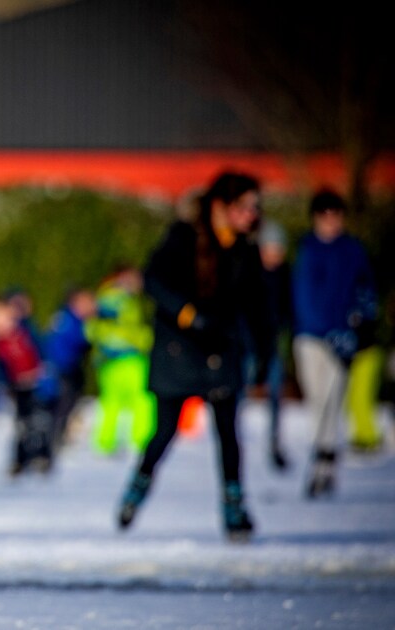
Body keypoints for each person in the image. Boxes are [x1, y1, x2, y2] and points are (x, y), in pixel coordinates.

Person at [116, 171, 273, 542]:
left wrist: (264, 352)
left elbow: (258, 308)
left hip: (221, 350)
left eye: (255, 207)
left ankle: (234, 507)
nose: (253, 214)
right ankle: (136, 490)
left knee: (228, 433)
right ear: (222, 207)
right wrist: (187, 313)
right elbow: (153, 281)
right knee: (165, 430)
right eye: (246, 206)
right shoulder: (183, 237)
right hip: (179, 350)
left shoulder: (245, 251)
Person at [291, 190, 378, 498]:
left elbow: (366, 290)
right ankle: (319, 457)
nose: (331, 221)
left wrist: (363, 319)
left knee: (334, 402)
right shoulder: (308, 250)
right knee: (317, 401)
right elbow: (305, 301)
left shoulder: (352, 250)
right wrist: (327, 331)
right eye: (325, 215)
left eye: (335, 215)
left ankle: (327, 461)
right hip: (312, 338)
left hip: (344, 338)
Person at [0, 297, 57, 475]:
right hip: (19, 387)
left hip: (38, 383)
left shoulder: (24, 331)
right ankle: (20, 460)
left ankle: (42, 456)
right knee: (23, 425)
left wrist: (45, 374)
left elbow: (41, 352)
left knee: (40, 422)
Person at [86, 266, 155, 456]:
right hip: (126, 357)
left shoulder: (104, 296)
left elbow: (93, 328)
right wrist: (147, 340)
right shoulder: (118, 299)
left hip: (108, 360)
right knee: (141, 398)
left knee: (112, 401)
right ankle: (141, 440)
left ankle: (105, 441)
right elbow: (122, 329)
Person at [256, 219, 293, 470]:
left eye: (278, 249)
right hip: (250, 343)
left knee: (275, 395)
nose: (274, 255)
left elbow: (290, 307)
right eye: (270, 248)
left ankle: (274, 440)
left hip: (273, 341)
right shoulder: (249, 272)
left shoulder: (286, 274)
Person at [41, 287, 95, 452]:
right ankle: (54, 439)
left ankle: (55, 438)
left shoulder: (68, 319)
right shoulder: (68, 320)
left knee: (66, 404)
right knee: (62, 405)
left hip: (66, 368)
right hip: (62, 369)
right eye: (87, 302)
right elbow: (65, 344)